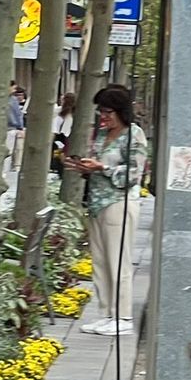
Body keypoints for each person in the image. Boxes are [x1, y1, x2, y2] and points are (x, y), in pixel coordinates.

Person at [65, 87, 147, 337]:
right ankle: (107, 314)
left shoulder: (134, 135)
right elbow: (100, 166)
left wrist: (102, 168)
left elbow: (134, 175)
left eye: (107, 111)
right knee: (100, 262)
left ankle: (123, 317)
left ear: (121, 111)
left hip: (119, 204)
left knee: (118, 261)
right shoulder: (101, 134)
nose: (103, 116)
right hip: (97, 204)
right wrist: (84, 167)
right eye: (100, 111)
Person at [7, 84, 26, 172]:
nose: (14, 91)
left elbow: (18, 115)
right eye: (13, 88)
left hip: (11, 127)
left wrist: (20, 128)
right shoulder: (11, 100)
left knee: (9, 150)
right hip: (9, 126)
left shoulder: (13, 99)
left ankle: (6, 170)